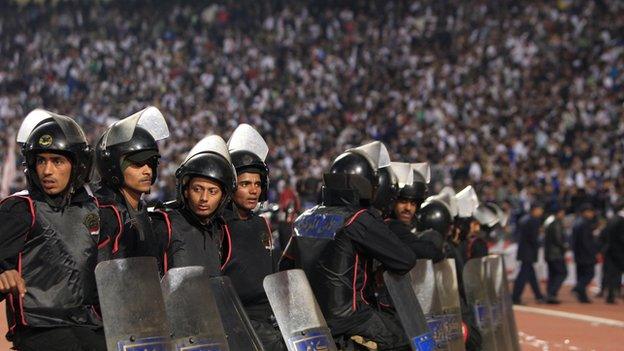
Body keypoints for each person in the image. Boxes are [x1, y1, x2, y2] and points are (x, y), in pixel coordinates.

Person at [282, 141, 416, 350]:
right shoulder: (358, 218)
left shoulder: (304, 219)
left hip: (308, 321)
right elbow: (405, 260)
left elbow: (285, 269)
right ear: (366, 185)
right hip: (351, 320)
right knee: (404, 340)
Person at [0, 109, 110, 350]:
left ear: (78, 165)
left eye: (57, 161)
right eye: (41, 160)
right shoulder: (20, 209)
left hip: (89, 324)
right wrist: (2, 274)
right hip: (40, 328)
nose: (47, 171)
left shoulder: (94, 210)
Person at [222, 124, 286, 350]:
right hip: (239, 321)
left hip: (271, 317)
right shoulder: (219, 225)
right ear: (230, 185)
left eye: (258, 184)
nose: (253, 191)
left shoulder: (261, 223)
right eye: (245, 184)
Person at [94, 106, 170, 271]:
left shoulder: (142, 210)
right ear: (113, 166)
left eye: (151, 163)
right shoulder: (102, 212)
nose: (147, 171)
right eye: (137, 164)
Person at [150, 135, 236, 275]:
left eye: (212, 191)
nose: (204, 198)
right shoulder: (164, 224)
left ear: (223, 197)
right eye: (197, 189)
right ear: (185, 191)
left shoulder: (220, 230)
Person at [512, 203, 546, 304]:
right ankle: (515, 297)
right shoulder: (534, 221)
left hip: (524, 250)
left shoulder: (524, 219)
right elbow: (533, 238)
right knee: (523, 275)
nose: (541, 212)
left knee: (531, 275)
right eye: (540, 209)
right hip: (529, 252)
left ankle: (538, 295)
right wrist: (539, 244)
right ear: (534, 210)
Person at [571, 203, 598, 303]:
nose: (592, 214)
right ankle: (578, 288)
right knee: (589, 274)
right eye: (590, 212)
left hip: (578, 254)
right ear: (585, 212)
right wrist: (592, 253)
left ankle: (582, 297)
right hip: (586, 254)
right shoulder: (585, 223)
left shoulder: (576, 222)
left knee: (581, 275)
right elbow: (586, 241)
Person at [600, 203, 624, 304]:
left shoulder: (612, 219)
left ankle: (610, 294)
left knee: (610, 274)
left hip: (610, 250)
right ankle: (612, 294)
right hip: (617, 252)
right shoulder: (620, 221)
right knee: (615, 274)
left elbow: (603, 234)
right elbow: (621, 238)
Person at [543, 208, 568, 304]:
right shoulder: (556, 223)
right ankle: (552, 293)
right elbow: (558, 239)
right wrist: (564, 247)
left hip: (549, 253)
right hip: (556, 254)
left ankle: (550, 293)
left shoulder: (548, 222)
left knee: (552, 274)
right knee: (562, 273)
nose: (563, 215)